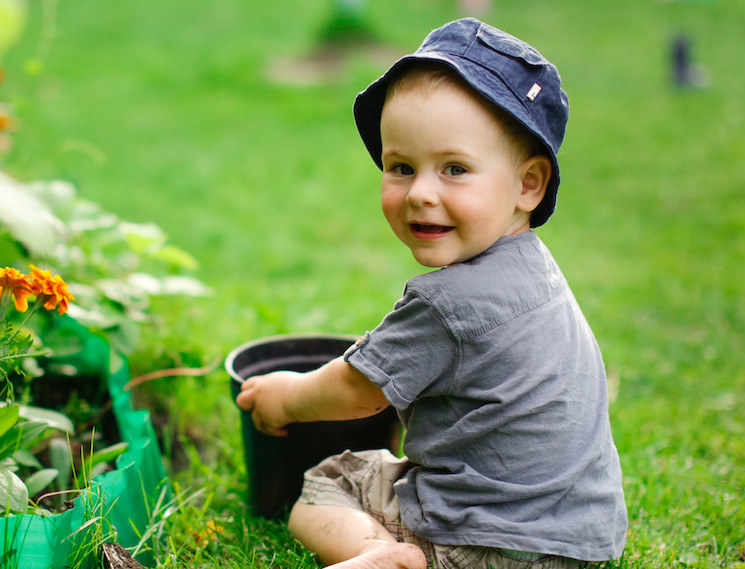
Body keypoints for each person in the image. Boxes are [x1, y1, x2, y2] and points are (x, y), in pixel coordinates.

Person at [236, 17, 627, 569]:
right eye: (401, 167)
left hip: (478, 542)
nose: (420, 193)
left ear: (528, 184)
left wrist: (284, 397)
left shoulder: (448, 305)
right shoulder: (536, 273)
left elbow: (357, 390)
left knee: (329, 481)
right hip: (576, 542)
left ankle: (381, 555)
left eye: (454, 169)